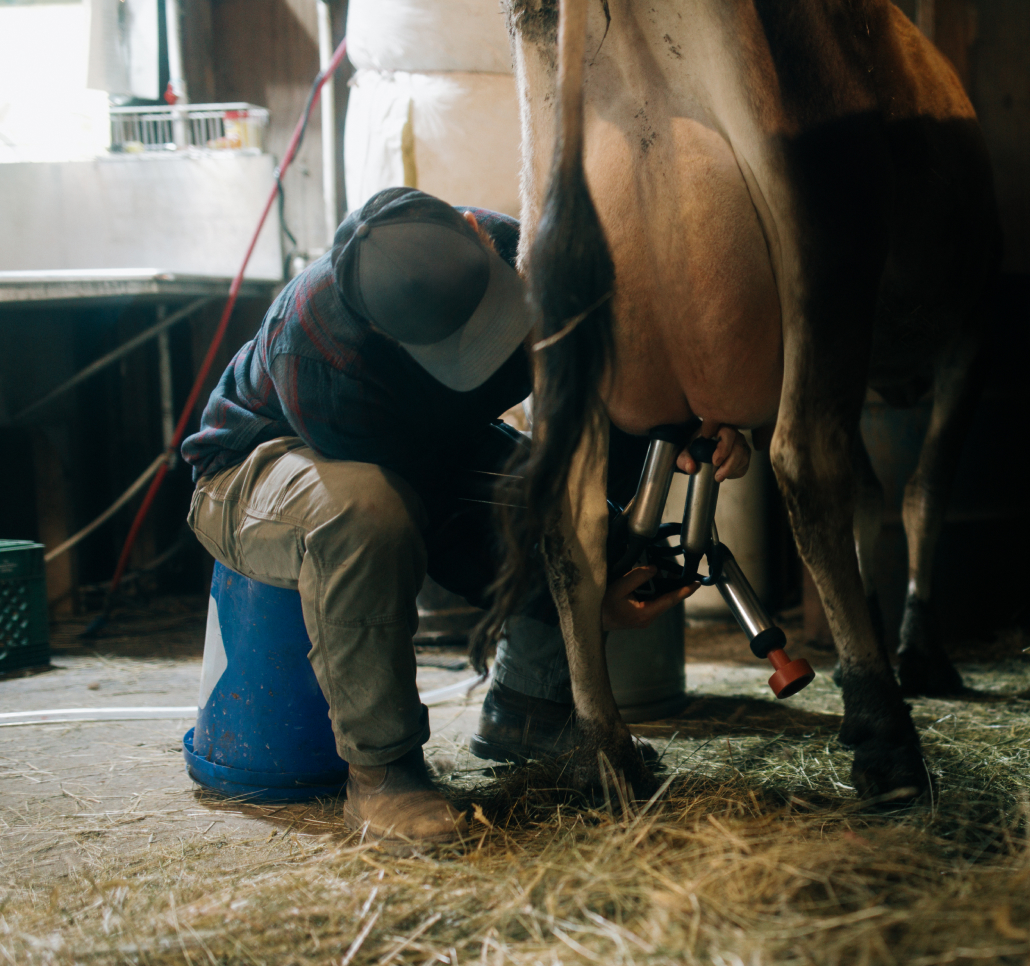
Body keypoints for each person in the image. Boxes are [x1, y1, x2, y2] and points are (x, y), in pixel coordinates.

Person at [181, 188, 749, 844]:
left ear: (478, 238)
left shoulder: (512, 245)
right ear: (387, 334)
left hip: (425, 449)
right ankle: (382, 775)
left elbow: (596, 369)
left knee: (586, 448)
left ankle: (530, 708)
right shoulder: (323, 358)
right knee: (366, 515)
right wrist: (582, 596)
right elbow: (441, 517)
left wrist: (694, 420)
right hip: (253, 471)